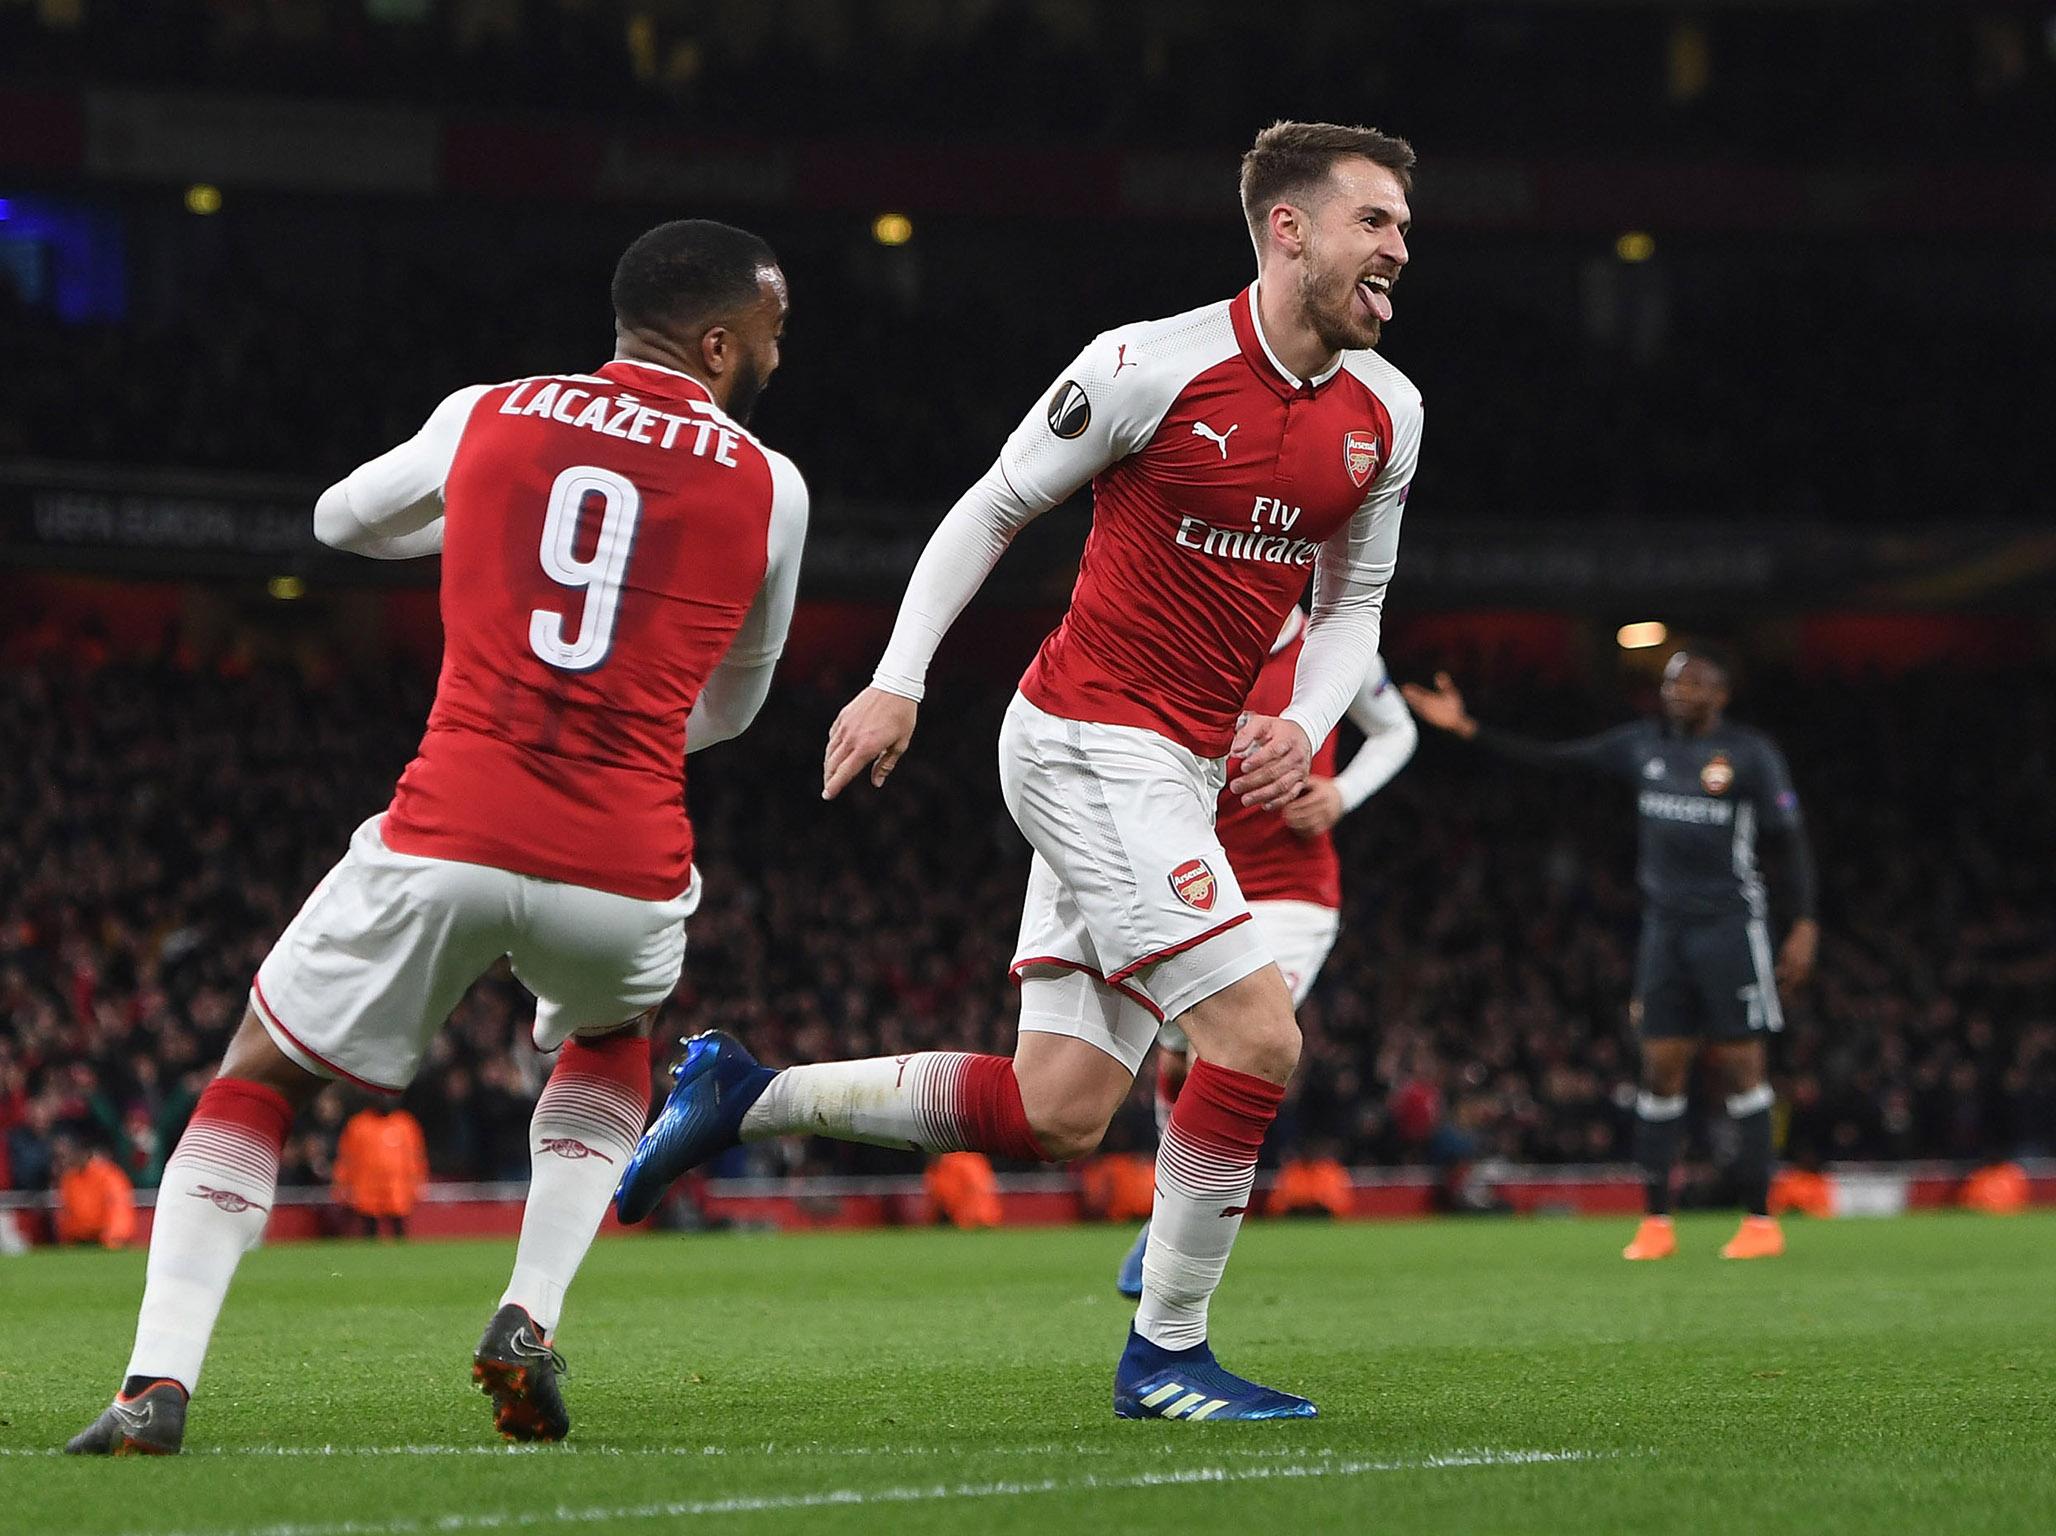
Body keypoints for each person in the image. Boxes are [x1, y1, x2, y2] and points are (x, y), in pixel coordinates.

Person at [618, 120, 1424, 1422]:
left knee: (1058, 1111)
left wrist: (1307, 717)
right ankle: (1166, 1354)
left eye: (1402, 224)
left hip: (1183, 772)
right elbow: (993, 504)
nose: (1399, 247)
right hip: (1089, 740)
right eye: (1376, 221)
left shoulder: (1390, 414)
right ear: (1290, 229)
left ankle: (746, 1093)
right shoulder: (1142, 368)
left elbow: (1354, 608)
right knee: (1258, 1034)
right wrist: (898, 676)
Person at [66, 218, 807, 1456]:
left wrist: (479, 536)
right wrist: (614, 727)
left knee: (260, 1071)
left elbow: (337, 523)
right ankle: (529, 1310)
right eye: (775, 336)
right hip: (624, 857)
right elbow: (732, 704)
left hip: (450, 821)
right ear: (718, 341)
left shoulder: (489, 412)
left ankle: (155, 1384)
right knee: (612, 1040)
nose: (781, 359)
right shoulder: (770, 484)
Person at [1402, 647, 1818, 1260]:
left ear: (1721, 695)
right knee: (1658, 1072)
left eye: (1695, 683)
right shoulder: (1639, 746)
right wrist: (1469, 728)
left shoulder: (1751, 754)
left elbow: (1791, 841)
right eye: (1674, 682)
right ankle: (1656, 1222)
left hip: (1732, 930)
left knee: (1741, 1071)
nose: (1680, 691)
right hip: (1664, 933)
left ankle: (1759, 1220)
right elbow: (1554, 761)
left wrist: (1804, 922)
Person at [1116, 614, 1416, 1296]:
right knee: (1174, 1048)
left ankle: (1176, 1233)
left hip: (1292, 895)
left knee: (1229, 1040)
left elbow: (1398, 729)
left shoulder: (1332, 651)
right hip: (1195, 885)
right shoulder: (1187, 636)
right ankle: (1172, 1207)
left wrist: (1342, 792)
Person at [332, 1102, 429, 1238]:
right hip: (367, 1186)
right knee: (369, 1227)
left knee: (398, 1225)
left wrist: (418, 1183)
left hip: (396, 1187)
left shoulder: (405, 1123)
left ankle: (402, 1256)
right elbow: (347, 1158)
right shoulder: (359, 1124)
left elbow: (416, 1156)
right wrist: (341, 1184)